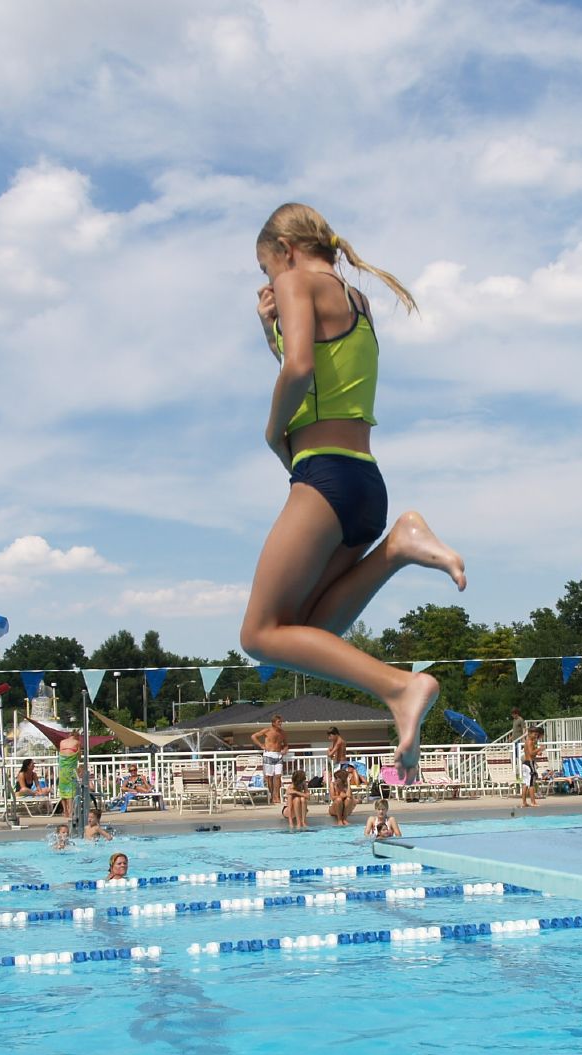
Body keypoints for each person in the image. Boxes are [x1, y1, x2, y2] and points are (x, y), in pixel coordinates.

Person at [240, 203, 466, 783]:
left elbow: (297, 371)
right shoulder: (356, 302)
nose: (270, 284)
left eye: (267, 270)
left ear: (285, 251)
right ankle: (396, 546)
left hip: (324, 478)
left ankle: (400, 686)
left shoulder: (295, 279)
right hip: (364, 483)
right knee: (310, 630)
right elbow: (323, 375)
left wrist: (273, 434)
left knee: (260, 634)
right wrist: (272, 328)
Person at [251, 714, 290, 805]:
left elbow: (286, 744)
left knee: (278, 776)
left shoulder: (282, 733)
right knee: (269, 777)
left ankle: (277, 796)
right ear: (273, 723)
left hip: (278, 755)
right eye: (278, 722)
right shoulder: (267, 730)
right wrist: (261, 745)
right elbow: (253, 736)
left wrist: (285, 749)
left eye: (281, 722)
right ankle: (272, 795)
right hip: (268, 755)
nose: (280, 723)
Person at [57, 732, 81, 819]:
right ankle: (70, 811)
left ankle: (65, 811)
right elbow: (79, 756)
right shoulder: (77, 742)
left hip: (62, 768)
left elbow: (62, 754)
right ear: (76, 736)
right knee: (70, 789)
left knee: (63, 788)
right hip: (70, 768)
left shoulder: (61, 742)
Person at [520, 726, 542, 808]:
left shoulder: (528, 741)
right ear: (529, 734)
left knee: (526, 783)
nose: (536, 736)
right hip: (529, 763)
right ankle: (533, 802)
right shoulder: (529, 741)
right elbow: (531, 753)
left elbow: (530, 753)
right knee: (531, 783)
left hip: (526, 763)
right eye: (534, 734)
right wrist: (539, 749)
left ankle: (524, 802)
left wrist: (537, 752)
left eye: (537, 734)